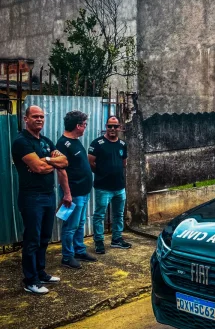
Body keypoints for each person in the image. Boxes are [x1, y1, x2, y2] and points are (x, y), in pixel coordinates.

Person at [11, 106, 68, 294]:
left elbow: (65, 162)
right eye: (35, 116)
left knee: (44, 237)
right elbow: (37, 168)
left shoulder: (45, 141)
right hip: (31, 197)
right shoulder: (21, 141)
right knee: (32, 239)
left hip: (48, 195)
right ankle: (30, 280)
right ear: (25, 119)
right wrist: (49, 162)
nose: (39, 119)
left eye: (42, 116)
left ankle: (41, 272)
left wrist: (46, 160)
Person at [56, 111, 97, 269]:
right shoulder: (62, 144)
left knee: (80, 223)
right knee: (70, 226)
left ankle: (79, 250)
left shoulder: (76, 141)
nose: (85, 127)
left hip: (83, 191)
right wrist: (67, 194)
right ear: (78, 126)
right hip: (73, 193)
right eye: (84, 124)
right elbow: (61, 171)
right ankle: (67, 257)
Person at [88, 116, 131, 254]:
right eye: (109, 126)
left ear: (119, 127)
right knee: (99, 215)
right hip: (103, 187)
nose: (112, 129)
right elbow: (91, 163)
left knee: (118, 214)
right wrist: (101, 173)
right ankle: (99, 242)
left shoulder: (122, 144)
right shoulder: (97, 143)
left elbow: (124, 162)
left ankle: (116, 239)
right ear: (106, 127)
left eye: (115, 126)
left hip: (119, 187)